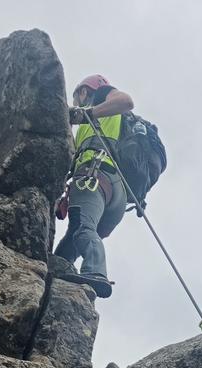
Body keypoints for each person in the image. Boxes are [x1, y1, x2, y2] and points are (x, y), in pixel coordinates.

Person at [52, 74, 134, 298]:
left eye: (78, 96)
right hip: (115, 193)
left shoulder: (103, 100)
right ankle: (56, 272)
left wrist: (86, 113)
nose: (77, 103)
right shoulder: (92, 127)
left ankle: (95, 272)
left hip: (93, 179)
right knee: (73, 241)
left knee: (82, 229)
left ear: (85, 91)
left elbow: (126, 101)